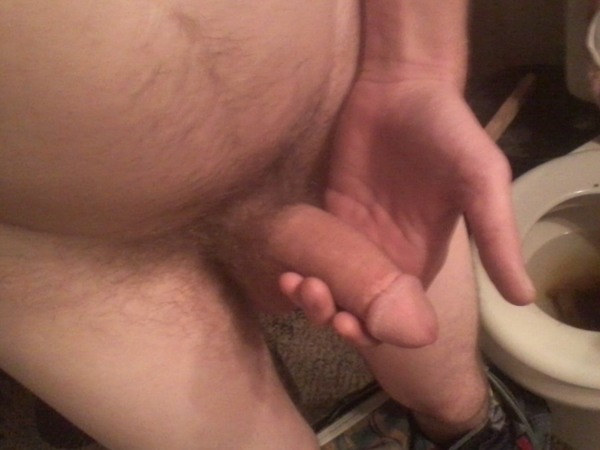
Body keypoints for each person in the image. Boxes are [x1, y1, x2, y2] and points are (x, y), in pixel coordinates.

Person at [0, 0, 545, 449]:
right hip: (70, 248)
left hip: (352, 128)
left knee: (452, 394)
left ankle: (475, 430)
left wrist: (415, 66)